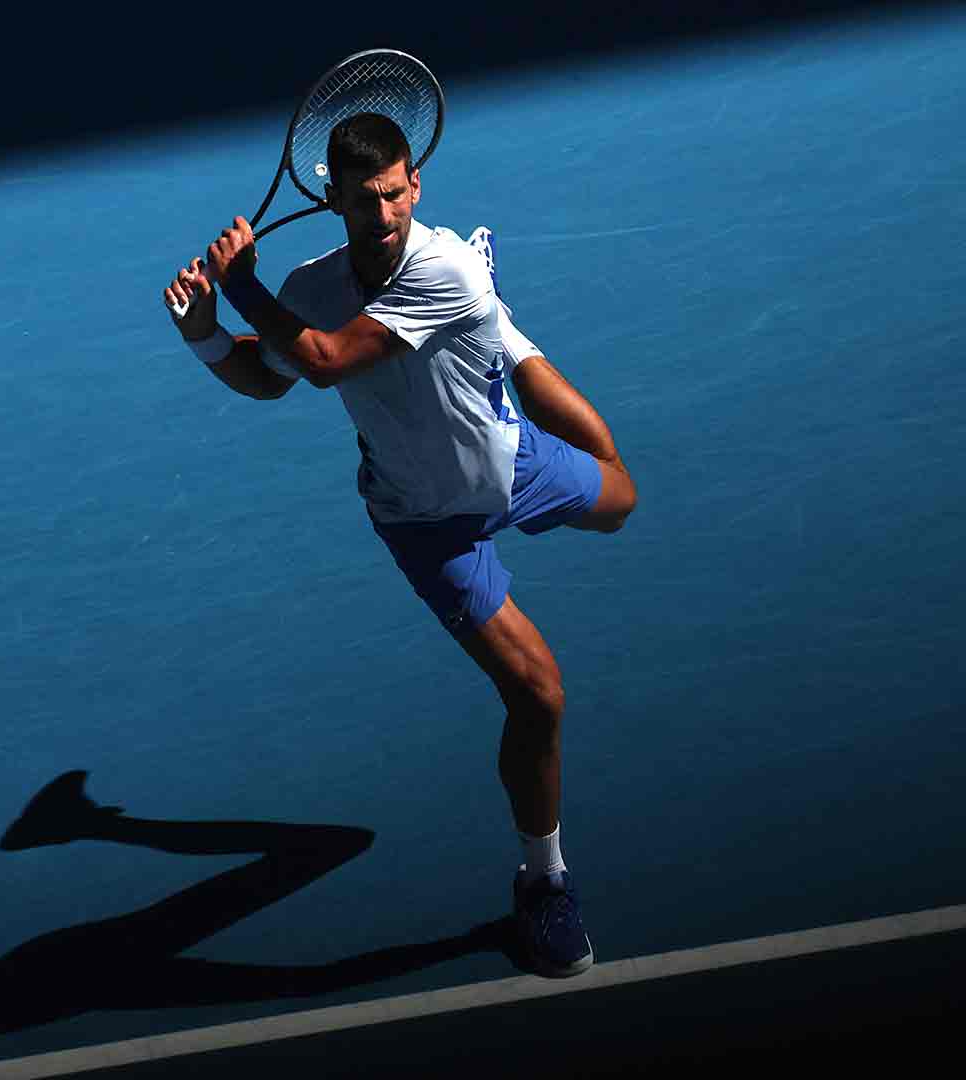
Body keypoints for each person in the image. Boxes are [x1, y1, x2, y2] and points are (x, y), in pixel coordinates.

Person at [160, 112, 636, 978]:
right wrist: (203, 331)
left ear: (414, 185)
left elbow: (333, 357)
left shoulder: (442, 265)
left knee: (621, 496)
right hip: (422, 519)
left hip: (511, 461)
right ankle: (546, 882)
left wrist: (241, 290)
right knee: (539, 695)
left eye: (395, 193)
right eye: (364, 198)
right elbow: (271, 376)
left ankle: (506, 340)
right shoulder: (308, 286)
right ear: (331, 195)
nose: (382, 213)